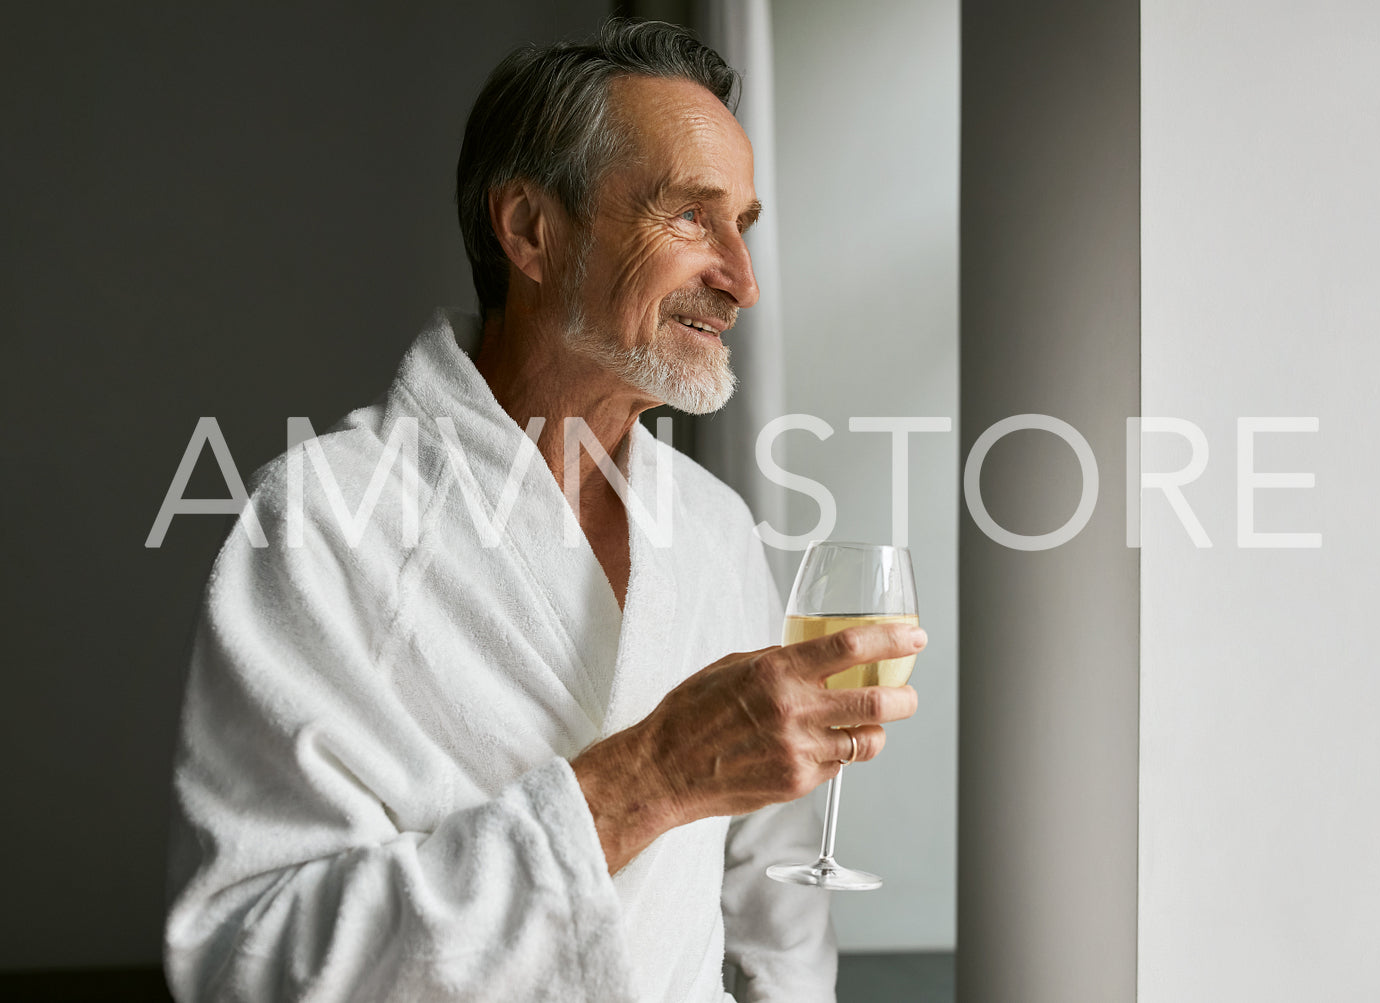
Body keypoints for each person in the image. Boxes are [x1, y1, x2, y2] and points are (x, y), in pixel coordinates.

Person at [163, 19, 923, 1002]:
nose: (741, 279)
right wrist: (646, 776)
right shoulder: (318, 522)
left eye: (744, 225)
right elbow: (247, 960)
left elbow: (767, 874)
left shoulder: (710, 524)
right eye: (693, 218)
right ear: (529, 229)